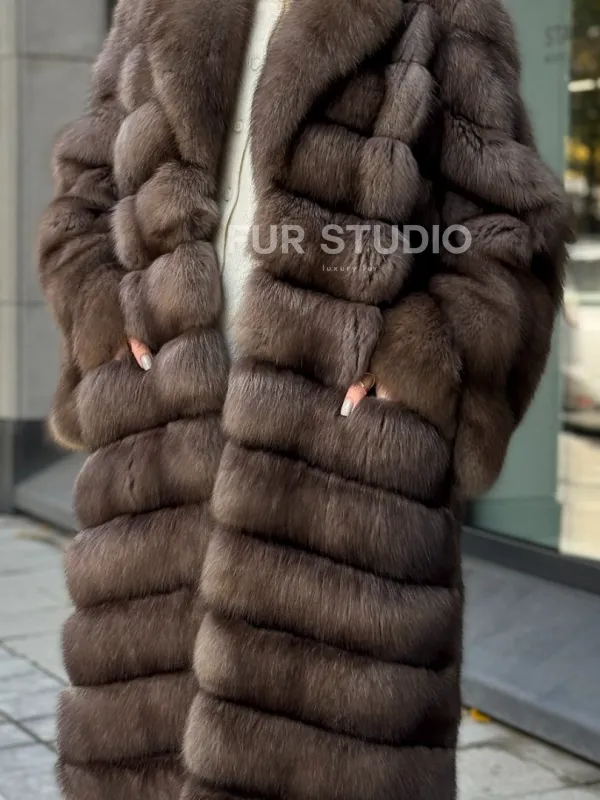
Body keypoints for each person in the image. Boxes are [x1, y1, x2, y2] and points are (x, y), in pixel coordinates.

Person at [38, 0, 572, 798]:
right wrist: (101, 313)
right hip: (161, 459)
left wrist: (418, 364)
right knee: (142, 758)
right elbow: (85, 187)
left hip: (342, 479)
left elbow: (512, 230)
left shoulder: (439, 12)